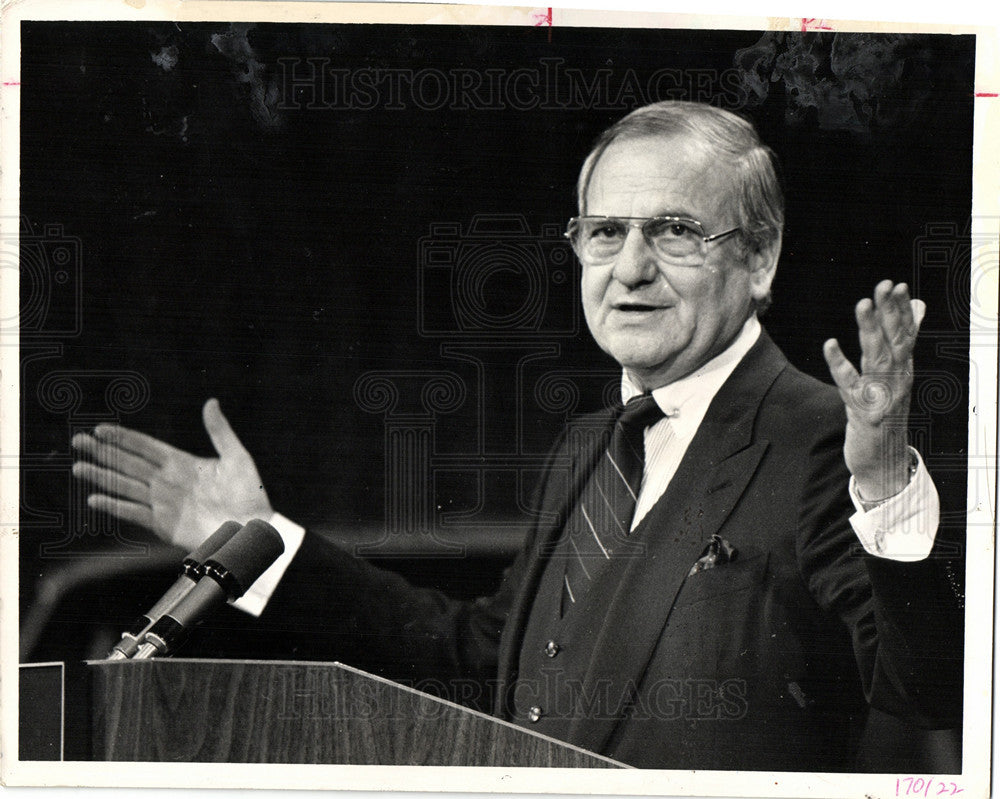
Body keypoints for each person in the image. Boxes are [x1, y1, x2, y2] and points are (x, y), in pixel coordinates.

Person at [71, 101, 961, 771]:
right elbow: (479, 660)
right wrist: (261, 547)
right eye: (606, 232)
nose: (631, 267)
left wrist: (883, 485)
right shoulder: (587, 448)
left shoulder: (815, 438)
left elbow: (927, 689)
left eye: (676, 232)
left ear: (759, 259)